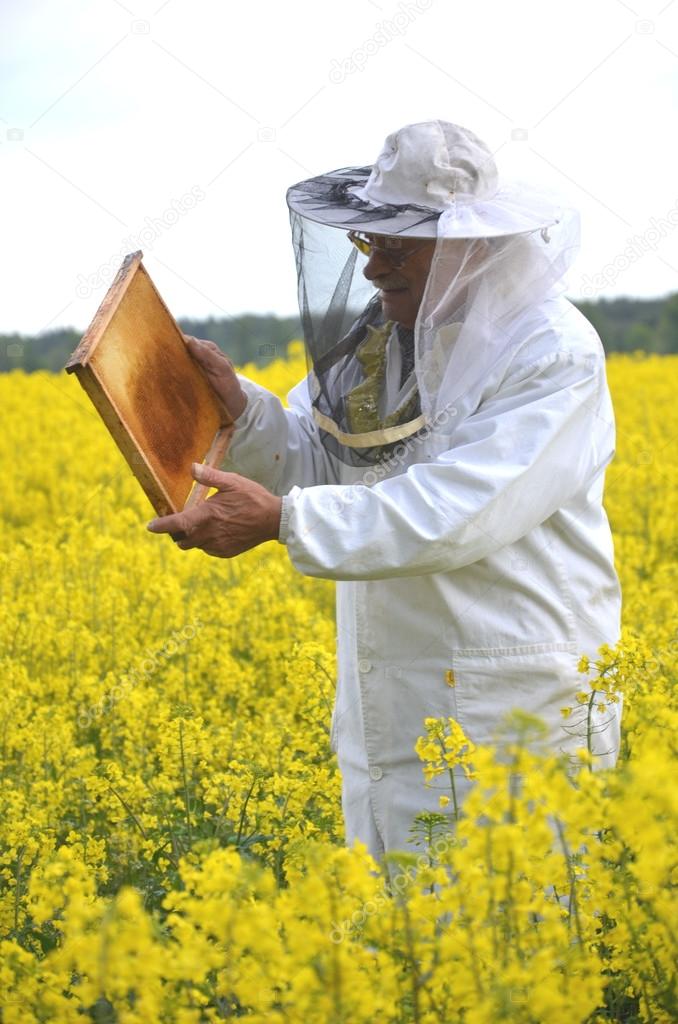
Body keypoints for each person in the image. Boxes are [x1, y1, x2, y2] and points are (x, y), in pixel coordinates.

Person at [147, 120, 623, 860]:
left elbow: (458, 512)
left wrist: (281, 523)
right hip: (396, 706)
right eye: (371, 242)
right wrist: (241, 411)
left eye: (400, 246)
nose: (374, 269)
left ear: (471, 243)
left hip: (514, 710)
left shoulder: (551, 352)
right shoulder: (385, 338)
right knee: (400, 949)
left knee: (515, 949)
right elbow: (320, 456)